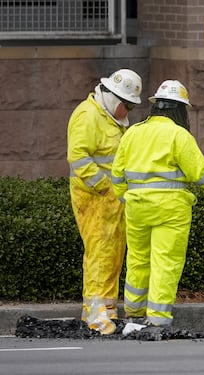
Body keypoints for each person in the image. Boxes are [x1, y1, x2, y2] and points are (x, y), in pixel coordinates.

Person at [111, 79, 204, 328]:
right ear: (179, 109)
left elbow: (117, 175)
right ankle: (157, 319)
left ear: (156, 106)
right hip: (171, 210)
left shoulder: (133, 133)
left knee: (137, 260)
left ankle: (134, 314)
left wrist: (129, 197)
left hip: (136, 207)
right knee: (164, 262)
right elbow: (200, 174)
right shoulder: (179, 135)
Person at [67, 68, 143, 332]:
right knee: (100, 252)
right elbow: (78, 157)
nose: (129, 111)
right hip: (94, 197)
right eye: (127, 105)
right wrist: (104, 188)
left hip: (111, 198)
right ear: (113, 98)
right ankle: (96, 314)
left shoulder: (108, 118)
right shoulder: (87, 116)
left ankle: (105, 309)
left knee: (112, 253)